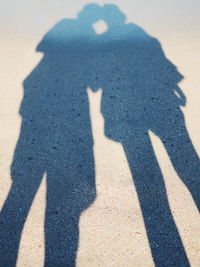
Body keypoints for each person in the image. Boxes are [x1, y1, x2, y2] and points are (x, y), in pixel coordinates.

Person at [95, 4, 199, 266]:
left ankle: (165, 246)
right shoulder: (143, 36)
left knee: (148, 178)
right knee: (187, 164)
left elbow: (96, 81)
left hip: (128, 113)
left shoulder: (102, 44)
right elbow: (167, 69)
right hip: (161, 106)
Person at [0, 4, 102, 266]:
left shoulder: (41, 68)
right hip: (67, 130)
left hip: (36, 129)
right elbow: (95, 81)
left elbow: (42, 50)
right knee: (60, 208)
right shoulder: (86, 43)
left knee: (20, 195)